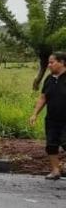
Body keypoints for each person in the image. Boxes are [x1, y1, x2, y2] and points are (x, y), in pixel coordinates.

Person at [29, 52, 66, 180]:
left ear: (62, 62)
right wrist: (34, 114)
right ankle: (55, 171)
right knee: (51, 145)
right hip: (52, 119)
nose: (49, 65)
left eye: (52, 62)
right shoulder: (49, 79)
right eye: (48, 62)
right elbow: (43, 98)